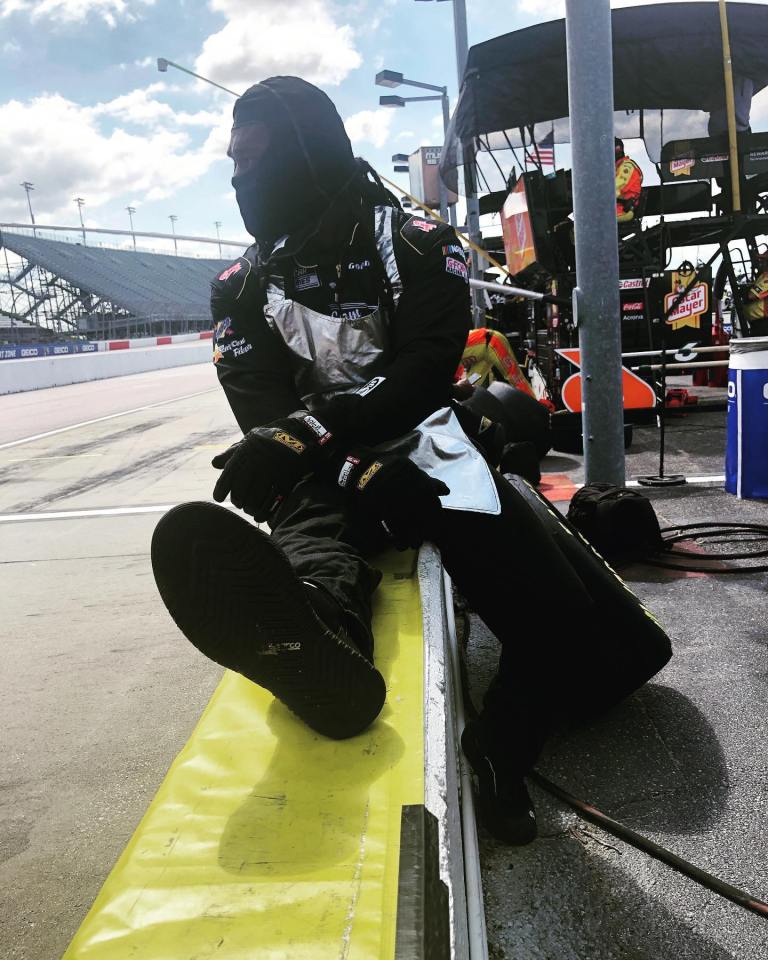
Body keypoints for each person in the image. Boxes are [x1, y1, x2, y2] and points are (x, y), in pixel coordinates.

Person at [151, 76, 672, 845]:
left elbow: (425, 370)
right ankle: (317, 644)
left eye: (250, 162)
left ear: (305, 153)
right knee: (314, 531)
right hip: (320, 473)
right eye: (231, 168)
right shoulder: (238, 286)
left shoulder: (419, 242)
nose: (239, 182)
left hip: (431, 443)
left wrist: (322, 434)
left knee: (563, 624)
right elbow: (265, 423)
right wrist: (342, 463)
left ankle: (499, 748)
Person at [615, 138, 644, 223]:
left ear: (617, 150)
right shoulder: (617, 167)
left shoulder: (627, 167)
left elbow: (613, 190)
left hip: (622, 211)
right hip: (615, 209)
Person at [742, 249, 768, 336]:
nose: (761, 263)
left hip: (764, 323)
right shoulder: (763, 276)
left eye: (764, 260)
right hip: (758, 323)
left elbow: (751, 295)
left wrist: (743, 293)